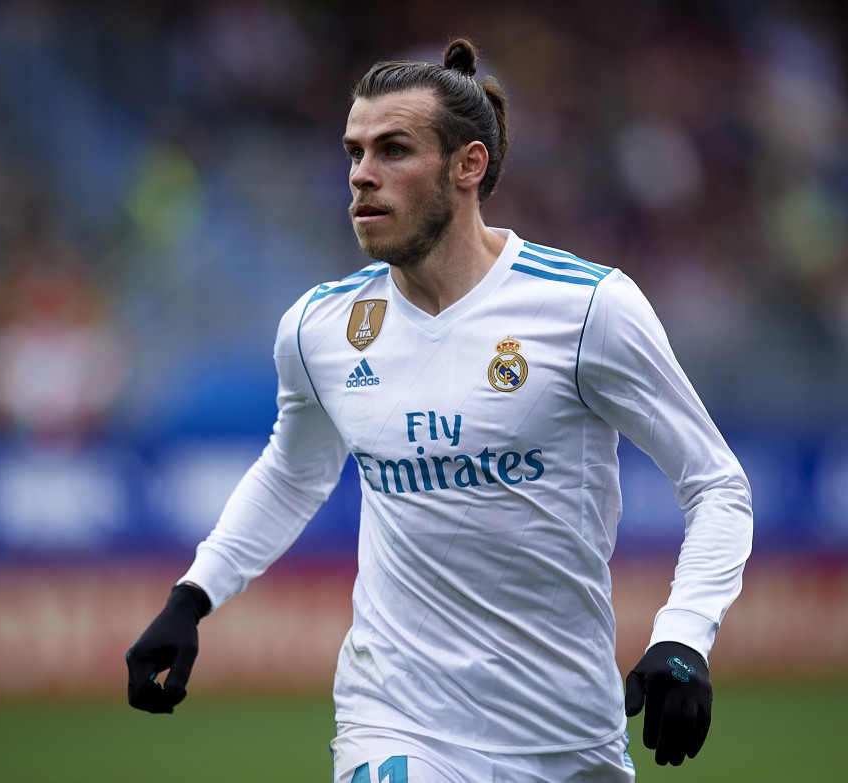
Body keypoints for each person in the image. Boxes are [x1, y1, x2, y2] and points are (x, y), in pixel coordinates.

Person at [125, 38, 753, 782]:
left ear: (468, 166)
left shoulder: (587, 308)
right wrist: (193, 595)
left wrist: (683, 636)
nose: (362, 174)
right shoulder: (319, 328)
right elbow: (293, 473)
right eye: (354, 151)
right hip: (395, 719)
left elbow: (716, 484)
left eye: (393, 150)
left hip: (568, 737)